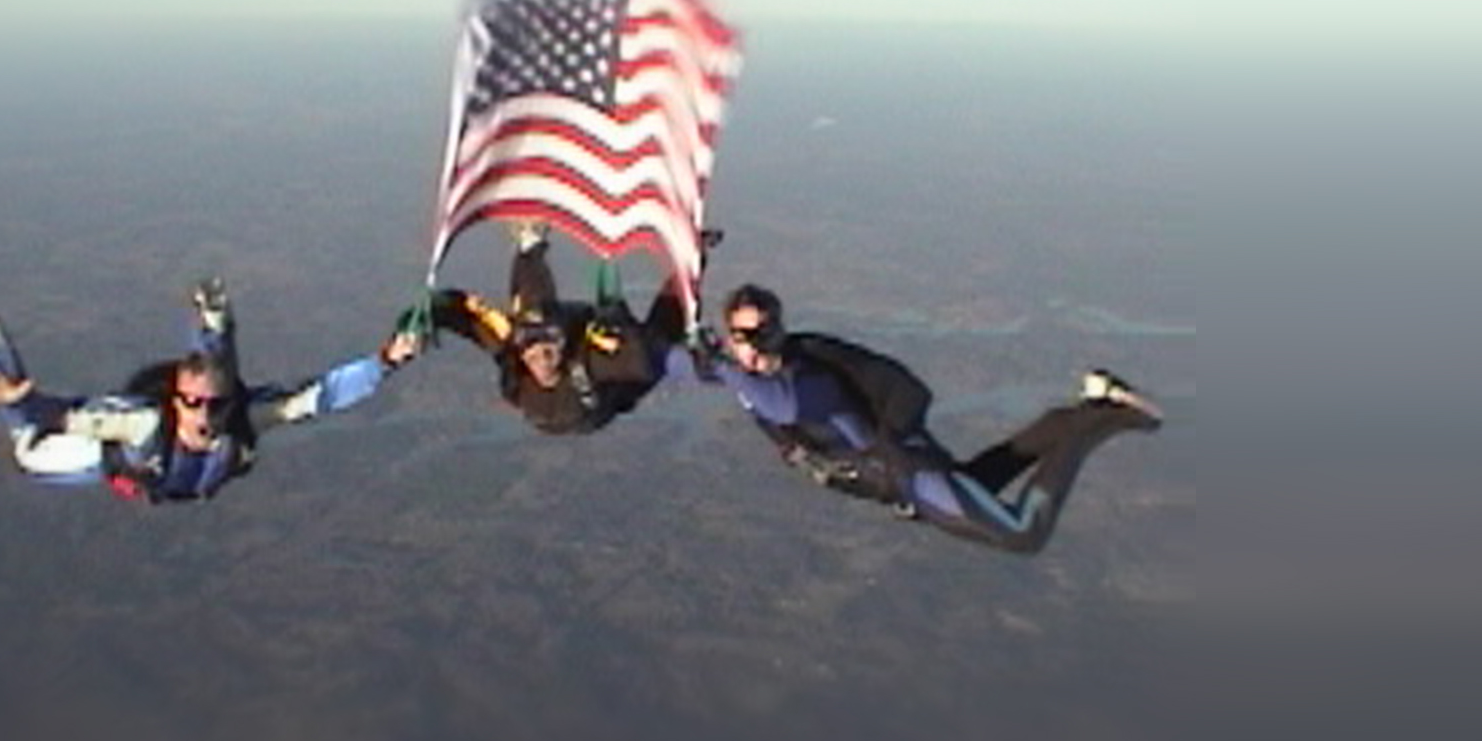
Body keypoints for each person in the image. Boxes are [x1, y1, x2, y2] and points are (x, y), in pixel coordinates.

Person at [675, 284, 1164, 555]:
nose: (758, 345)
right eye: (745, 336)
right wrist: (665, 337)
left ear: (782, 329)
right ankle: (1079, 413)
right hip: (905, 483)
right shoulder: (746, 375)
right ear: (730, 337)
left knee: (1022, 534)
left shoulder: (806, 379)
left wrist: (718, 363)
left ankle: (1101, 416)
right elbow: (669, 363)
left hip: (913, 476)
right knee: (979, 485)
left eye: (767, 331)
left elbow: (780, 405)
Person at [0, 277, 421, 503]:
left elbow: (324, 395)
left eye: (212, 406)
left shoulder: (243, 420)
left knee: (218, 375)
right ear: (175, 401)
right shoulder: (143, 425)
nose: (202, 414)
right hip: (108, 455)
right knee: (27, 451)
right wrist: (17, 401)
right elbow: (67, 416)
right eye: (191, 404)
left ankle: (214, 322)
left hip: (165, 474)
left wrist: (386, 360)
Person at [428, 220, 687, 434]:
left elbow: (465, 316)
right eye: (536, 351)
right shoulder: (586, 364)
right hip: (604, 388)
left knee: (536, 315)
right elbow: (649, 363)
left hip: (591, 352)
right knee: (649, 347)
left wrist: (429, 314)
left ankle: (530, 244)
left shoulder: (518, 358)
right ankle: (684, 273)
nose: (542, 359)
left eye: (545, 350)